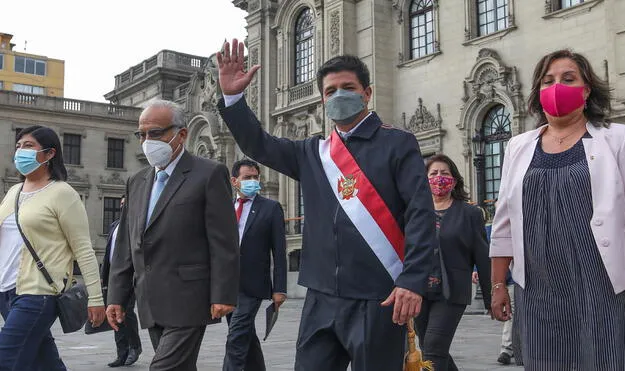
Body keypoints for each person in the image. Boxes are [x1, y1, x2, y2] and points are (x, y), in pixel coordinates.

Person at [217, 39, 438, 371]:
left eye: (348, 87)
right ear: (322, 99)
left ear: (367, 93)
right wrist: (233, 99)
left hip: (379, 295)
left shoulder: (397, 143)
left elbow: (421, 214)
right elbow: (257, 144)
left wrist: (412, 280)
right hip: (320, 295)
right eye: (330, 91)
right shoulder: (312, 153)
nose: (338, 96)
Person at [490, 49, 625, 370]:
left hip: (602, 284)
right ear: (538, 93)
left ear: (586, 90)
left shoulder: (618, 138)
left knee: (609, 360)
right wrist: (499, 285)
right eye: (548, 81)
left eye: (568, 79)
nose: (557, 86)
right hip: (539, 288)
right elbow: (503, 224)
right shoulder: (518, 147)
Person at [106, 100, 240, 371]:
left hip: (190, 297)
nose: (146, 141)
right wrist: (116, 296)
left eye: (155, 133)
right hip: (150, 299)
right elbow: (125, 245)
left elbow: (224, 240)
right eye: (141, 135)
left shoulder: (209, 173)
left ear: (181, 134)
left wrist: (223, 292)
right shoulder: (138, 181)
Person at [0, 125, 105, 370]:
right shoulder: (14, 191)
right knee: (44, 362)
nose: (20, 152)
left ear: (49, 154)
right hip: (5, 291)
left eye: (28, 146)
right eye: (18, 146)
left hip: (38, 293)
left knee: (6, 360)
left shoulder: (62, 193)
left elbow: (83, 249)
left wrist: (96, 299)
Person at [414, 154, 491, 371]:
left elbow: (482, 257)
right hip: (419, 290)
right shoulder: (415, 211)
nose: (439, 178)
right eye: (433, 174)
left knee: (433, 348)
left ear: (454, 180)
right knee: (430, 347)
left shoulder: (470, 213)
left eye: (445, 173)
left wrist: (491, 296)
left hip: (451, 291)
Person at [223, 159, 287, 371]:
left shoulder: (271, 208)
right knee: (245, 335)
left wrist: (279, 289)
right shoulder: (224, 209)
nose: (253, 181)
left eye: (255, 177)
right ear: (234, 181)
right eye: (247, 178)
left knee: (236, 337)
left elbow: (279, 252)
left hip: (253, 285)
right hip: (228, 285)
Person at [101, 196, 142, 368]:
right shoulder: (115, 225)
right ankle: (121, 353)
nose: (124, 207)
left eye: (127, 204)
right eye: (122, 204)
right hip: (113, 276)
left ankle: (135, 347)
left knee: (127, 312)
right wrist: (104, 275)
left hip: (130, 276)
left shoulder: (136, 225)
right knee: (114, 314)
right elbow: (109, 251)